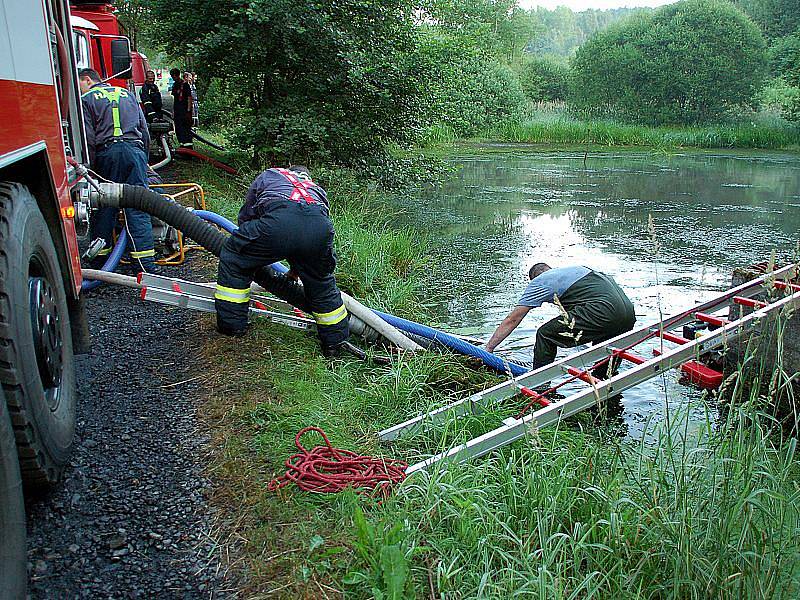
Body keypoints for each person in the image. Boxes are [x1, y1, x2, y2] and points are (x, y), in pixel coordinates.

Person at [214, 167, 350, 356]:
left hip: (279, 222)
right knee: (321, 282)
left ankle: (232, 326)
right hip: (319, 230)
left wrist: (252, 254)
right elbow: (310, 227)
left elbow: (248, 216)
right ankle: (335, 343)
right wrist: (299, 268)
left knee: (235, 258)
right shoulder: (315, 189)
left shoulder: (271, 175)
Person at [485, 263, 636, 370]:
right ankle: (604, 387)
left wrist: (489, 348)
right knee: (604, 354)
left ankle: (540, 382)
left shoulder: (540, 282)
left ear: (534, 278)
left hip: (602, 311)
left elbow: (513, 319)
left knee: (545, 334)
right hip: (628, 314)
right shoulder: (578, 269)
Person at [79, 68, 157, 273]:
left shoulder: (86, 99)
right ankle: (144, 265)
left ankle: (100, 264)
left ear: (87, 80)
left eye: (79, 84)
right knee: (139, 206)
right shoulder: (127, 94)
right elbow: (145, 131)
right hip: (135, 151)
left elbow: (87, 138)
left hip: (108, 153)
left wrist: (90, 170)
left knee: (104, 207)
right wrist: (143, 161)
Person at [170, 67, 193, 147]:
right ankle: (182, 146)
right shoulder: (175, 85)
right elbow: (174, 99)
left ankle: (188, 148)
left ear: (177, 75)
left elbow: (189, 98)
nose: (173, 78)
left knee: (186, 129)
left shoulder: (185, 85)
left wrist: (188, 110)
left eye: (174, 76)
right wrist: (173, 111)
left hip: (184, 111)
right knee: (179, 129)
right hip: (177, 111)